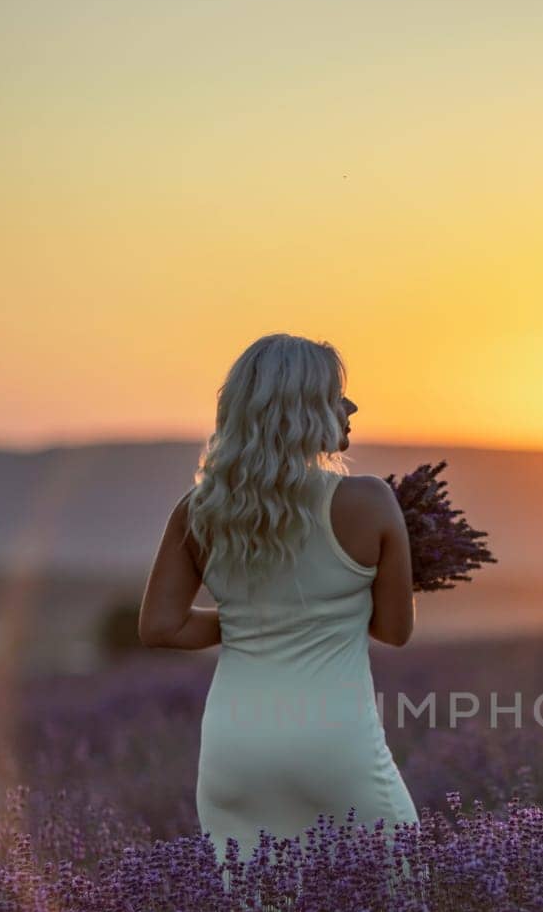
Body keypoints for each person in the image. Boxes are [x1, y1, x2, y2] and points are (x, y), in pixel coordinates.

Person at [138, 332, 419, 864]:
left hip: (233, 748)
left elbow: (160, 628)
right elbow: (394, 630)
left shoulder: (197, 511)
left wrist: (252, 621)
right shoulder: (369, 501)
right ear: (304, 410)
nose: (350, 406)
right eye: (336, 395)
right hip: (334, 745)